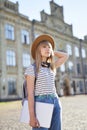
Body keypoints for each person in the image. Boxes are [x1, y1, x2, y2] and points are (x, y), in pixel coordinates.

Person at [24, 34, 69, 130]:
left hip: (55, 101)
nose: (47, 48)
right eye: (44, 47)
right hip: (41, 102)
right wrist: (32, 116)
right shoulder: (32, 68)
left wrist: (52, 51)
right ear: (38, 50)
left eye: (49, 47)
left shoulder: (51, 67)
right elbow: (30, 94)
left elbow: (65, 56)